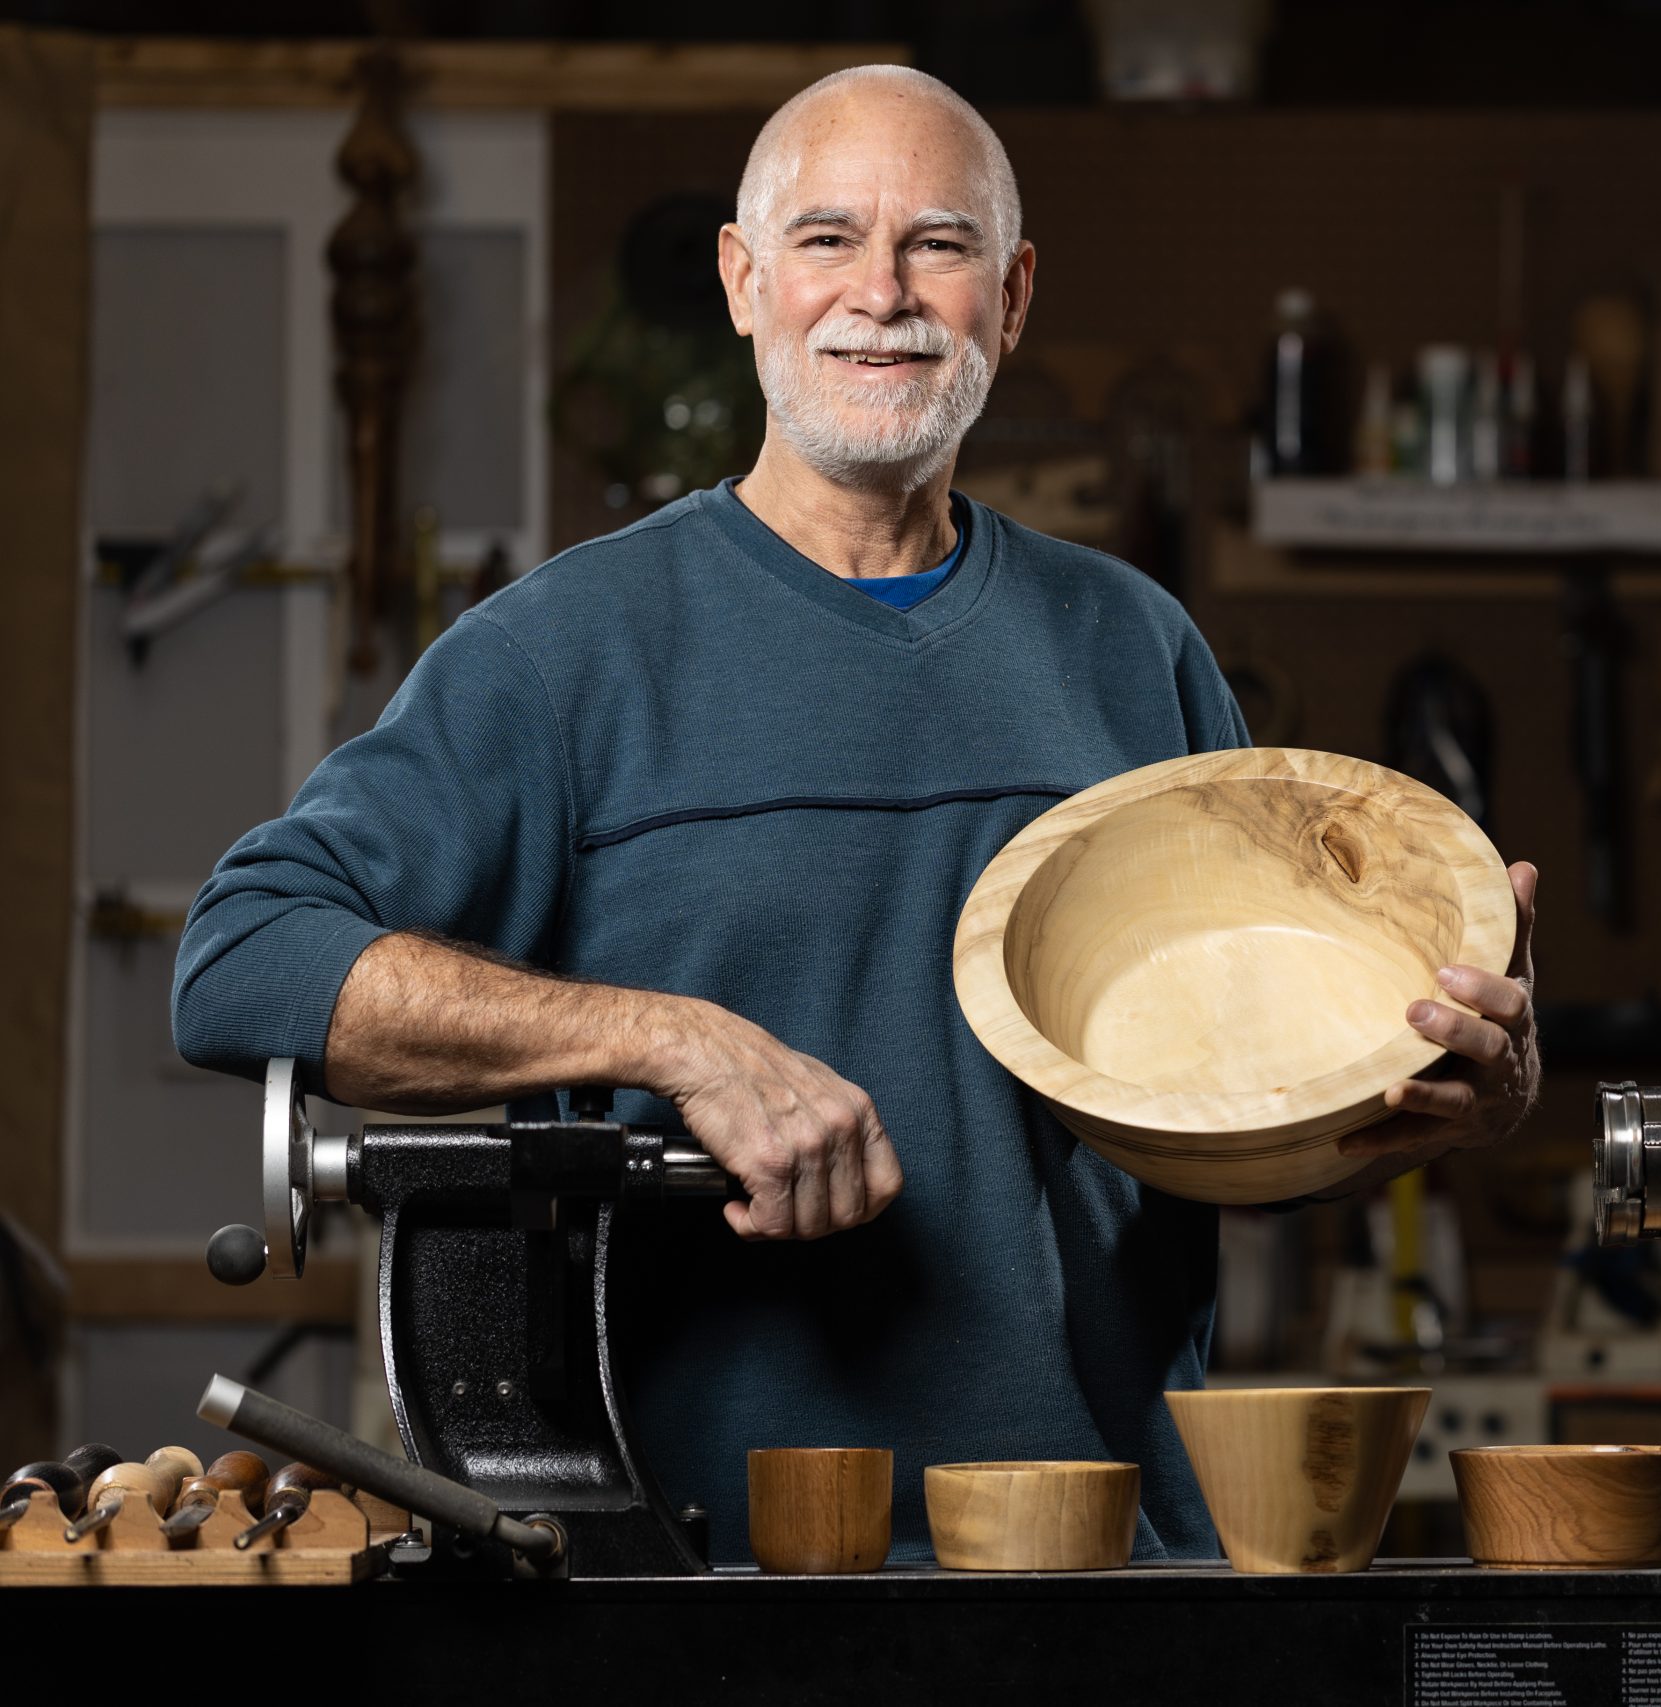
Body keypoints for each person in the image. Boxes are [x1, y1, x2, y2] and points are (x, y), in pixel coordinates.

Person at [171, 65, 1540, 1563]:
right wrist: (670, 1040)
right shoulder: (564, 656)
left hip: (1102, 1575)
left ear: (1012, 296)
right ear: (743, 281)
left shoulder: (1134, 652)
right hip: (692, 1590)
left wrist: (1419, 1105)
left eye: (937, 245)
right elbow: (244, 957)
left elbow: (1229, 1126)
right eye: (826, 239)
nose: (880, 294)